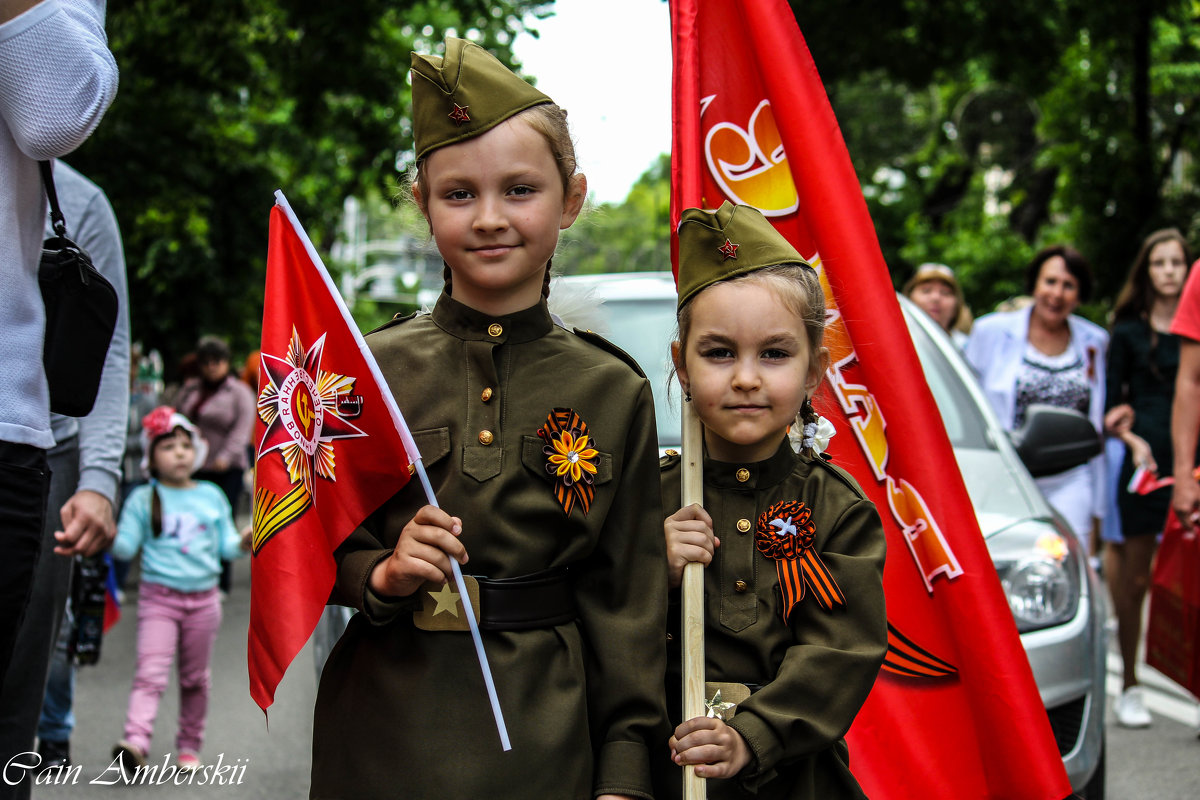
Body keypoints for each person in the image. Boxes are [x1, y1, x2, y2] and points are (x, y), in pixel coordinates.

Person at [309, 38, 668, 800]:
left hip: (548, 740)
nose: (490, 218)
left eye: (520, 190)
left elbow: (628, 606)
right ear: (423, 204)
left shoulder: (614, 388)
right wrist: (382, 569)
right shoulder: (362, 371)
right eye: (459, 194)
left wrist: (626, 774)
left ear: (570, 199)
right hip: (381, 733)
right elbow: (302, 546)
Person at [655, 202, 887, 798]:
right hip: (664, 767)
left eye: (775, 354)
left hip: (794, 776)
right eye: (719, 352)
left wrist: (753, 735)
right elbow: (601, 627)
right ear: (681, 364)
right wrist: (651, 569)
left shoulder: (838, 508)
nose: (747, 378)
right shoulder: (646, 497)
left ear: (815, 370)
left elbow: (841, 650)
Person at [0, 0, 119, 690]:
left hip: (22, 436)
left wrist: (100, 480)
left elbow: (56, 111)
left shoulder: (83, 207)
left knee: (18, 715)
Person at [0, 161, 129, 794]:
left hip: (42, 462)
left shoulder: (79, 201)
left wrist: (98, 480)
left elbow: (107, 348)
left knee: (16, 690)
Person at [110, 407, 248, 777]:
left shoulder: (212, 495)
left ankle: (189, 744)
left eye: (186, 444)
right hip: (158, 600)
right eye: (169, 446)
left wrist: (245, 541)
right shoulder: (142, 498)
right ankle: (135, 742)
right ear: (151, 457)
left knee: (195, 678)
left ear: (197, 451)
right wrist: (108, 530)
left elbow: (226, 550)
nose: (180, 452)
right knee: (150, 674)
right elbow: (123, 550)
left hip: (204, 601)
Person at [1103, 228, 1194, 729]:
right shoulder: (1128, 332)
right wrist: (1133, 442)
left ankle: (1195, 688)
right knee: (1137, 578)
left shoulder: (1196, 328)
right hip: (1143, 467)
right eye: (1159, 263)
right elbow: (1112, 410)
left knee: (1193, 578)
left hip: (1193, 462)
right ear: (1147, 270)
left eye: (1177, 263)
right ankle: (1132, 685)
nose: (1168, 272)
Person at [965, 246, 1108, 557]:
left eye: (1068, 285)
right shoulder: (990, 331)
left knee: (1071, 563)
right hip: (1008, 475)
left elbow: (1098, 417)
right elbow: (968, 403)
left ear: (1079, 295)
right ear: (1034, 285)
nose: (1057, 293)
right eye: (1050, 282)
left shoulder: (1095, 342)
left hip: (1072, 477)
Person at [173, 335, 254, 592]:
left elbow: (243, 429)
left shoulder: (239, 392)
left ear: (226, 363)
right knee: (190, 520)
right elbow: (177, 421)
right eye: (206, 362)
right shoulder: (191, 389)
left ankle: (220, 581)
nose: (211, 367)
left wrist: (226, 457)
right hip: (194, 467)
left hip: (225, 468)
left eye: (217, 361)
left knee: (220, 520)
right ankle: (191, 574)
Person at [902, 262, 972, 347]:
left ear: (956, 306)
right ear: (909, 298)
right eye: (926, 290)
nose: (935, 298)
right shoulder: (896, 341)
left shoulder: (967, 348)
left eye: (945, 293)